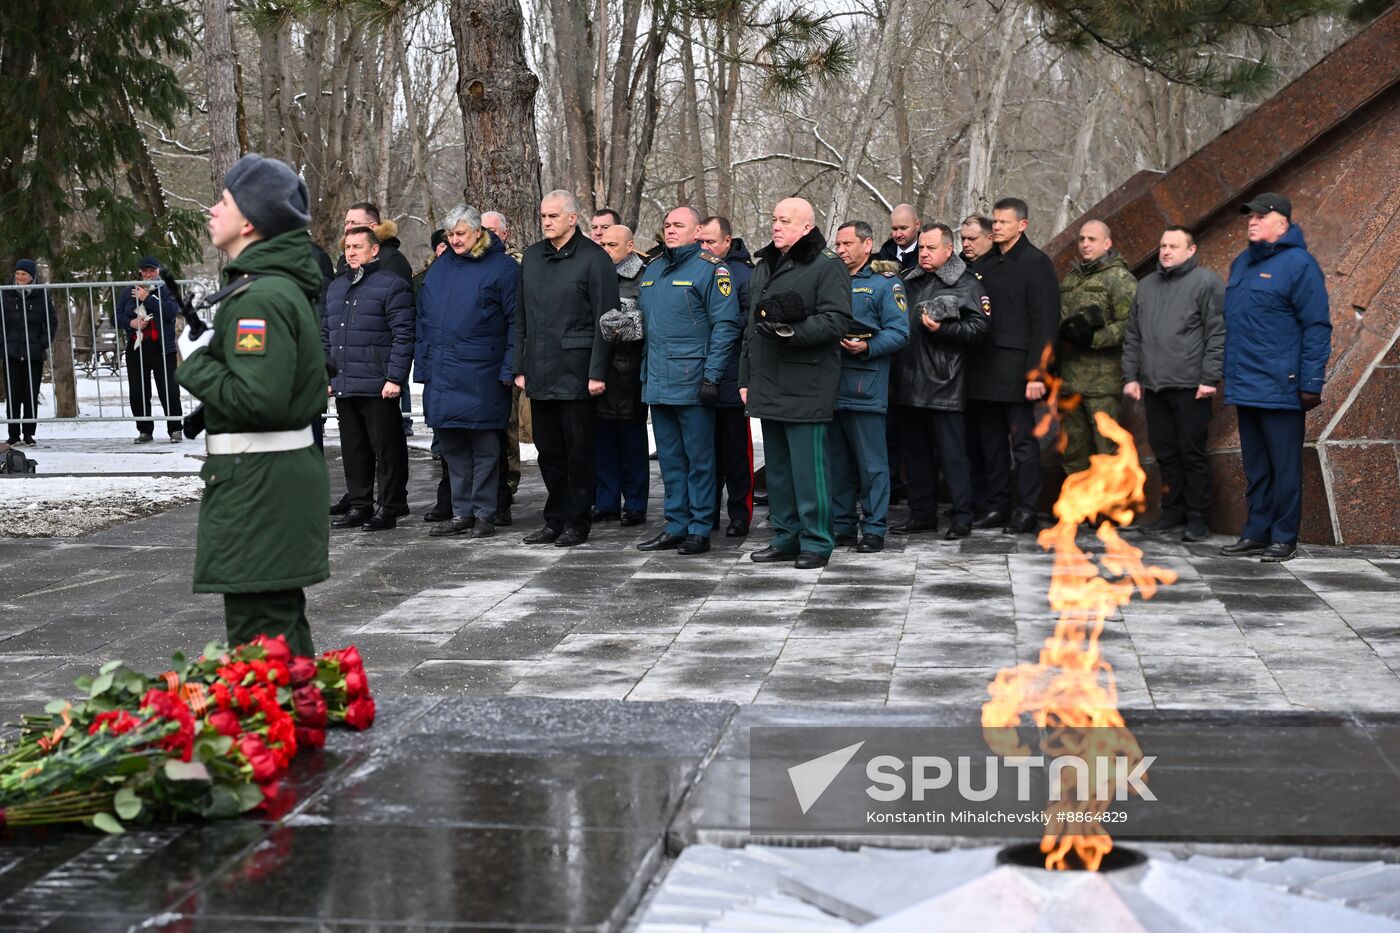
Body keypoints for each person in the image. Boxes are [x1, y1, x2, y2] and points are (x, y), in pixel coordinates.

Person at [176, 152, 329, 657]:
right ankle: (297, 722)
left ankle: (278, 731)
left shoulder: (260, 298)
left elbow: (257, 399)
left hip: (260, 479)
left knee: (260, 629)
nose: (212, 212)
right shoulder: (268, 287)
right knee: (276, 621)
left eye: (222, 201)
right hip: (266, 475)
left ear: (250, 220)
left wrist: (195, 360)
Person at [739, 197, 852, 570]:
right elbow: (750, 328)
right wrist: (745, 377)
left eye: (785, 220)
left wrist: (790, 330)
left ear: (806, 227)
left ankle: (817, 541)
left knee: (809, 470)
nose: (776, 226)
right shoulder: (764, 265)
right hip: (768, 381)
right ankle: (785, 537)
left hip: (807, 381)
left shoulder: (826, 266)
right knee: (780, 470)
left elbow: (837, 321)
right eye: (774, 219)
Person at [1219, 193, 1332, 563]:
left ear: (1282, 222)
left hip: (1281, 384)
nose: (1251, 222)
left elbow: (1316, 326)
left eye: (1259, 216)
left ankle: (1285, 537)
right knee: (1256, 468)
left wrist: (1310, 383)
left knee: (1285, 468)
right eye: (1248, 217)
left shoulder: (1299, 264)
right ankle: (1256, 532)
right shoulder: (1241, 264)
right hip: (1246, 384)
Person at [635, 207, 743, 556]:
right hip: (658, 381)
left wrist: (712, 376)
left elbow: (726, 325)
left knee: (699, 460)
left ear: (697, 231)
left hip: (694, 381)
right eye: (666, 225)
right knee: (670, 460)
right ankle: (675, 524)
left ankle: (699, 527)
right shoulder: (652, 270)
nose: (670, 230)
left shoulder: (712, 269)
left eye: (678, 225)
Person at [514, 190, 619, 547]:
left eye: (553, 216)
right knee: (549, 451)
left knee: (578, 452)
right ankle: (554, 518)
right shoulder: (531, 257)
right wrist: (520, 364)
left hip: (577, 371)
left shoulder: (594, 259)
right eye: (543, 216)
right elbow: (521, 317)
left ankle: (578, 520)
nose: (546, 222)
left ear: (572, 219)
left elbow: (608, 320)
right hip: (540, 371)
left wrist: (597, 372)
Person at [416, 205, 518, 539]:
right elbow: (425, 320)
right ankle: (461, 512)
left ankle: (485, 513)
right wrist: (425, 364)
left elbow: (517, 322)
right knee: (454, 448)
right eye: (451, 234)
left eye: (461, 233)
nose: (455, 240)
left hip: (483, 372)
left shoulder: (502, 268)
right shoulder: (441, 268)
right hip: (444, 372)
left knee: (486, 448)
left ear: (478, 232)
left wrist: (511, 366)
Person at [1122, 226, 1225, 542]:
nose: (1166, 251)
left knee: (1191, 452)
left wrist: (1210, 377)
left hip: (1190, 385)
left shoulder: (1206, 282)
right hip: (1154, 385)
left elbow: (1217, 332)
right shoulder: (1147, 285)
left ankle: (1198, 517)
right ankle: (1172, 512)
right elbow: (1133, 335)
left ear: (1191, 250)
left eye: (1174, 246)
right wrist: (1131, 376)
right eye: (1163, 245)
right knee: (1165, 452)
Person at [965, 197, 1059, 534]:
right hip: (985, 370)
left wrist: (1037, 374)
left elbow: (1046, 323)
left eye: (1003, 222)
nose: (997, 227)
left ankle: (1028, 510)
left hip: (1019, 372)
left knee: (1023, 445)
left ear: (1022, 225)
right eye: (995, 221)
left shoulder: (1037, 264)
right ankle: (997, 506)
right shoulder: (986, 266)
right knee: (991, 445)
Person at [892, 223, 990, 539]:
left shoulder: (966, 284)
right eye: (921, 247)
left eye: (931, 248)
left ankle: (962, 517)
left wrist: (943, 330)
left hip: (944, 385)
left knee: (953, 456)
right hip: (908, 382)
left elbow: (980, 329)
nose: (924, 253)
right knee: (915, 455)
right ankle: (921, 514)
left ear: (948, 249)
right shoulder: (908, 281)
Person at [322, 225, 415, 531]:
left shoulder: (392, 285)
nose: (351, 252)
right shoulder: (336, 287)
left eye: (357, 247)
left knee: (385, 449)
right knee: (354, 449)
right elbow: (326, 335)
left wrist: (394, 378)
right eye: (347, 247)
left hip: (378, 384)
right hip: (345, 382)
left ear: (374, 250)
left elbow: (403, 335)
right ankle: (360, 505)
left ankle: (389, 507)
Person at [828, 221, 910, 553]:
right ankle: (842, 525)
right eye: (838, 244)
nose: (841, 249)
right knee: (837, 464)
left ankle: (874, 528)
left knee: (872, 466)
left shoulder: (884, 284)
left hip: (865, 385)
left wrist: (869, 346)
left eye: (848, 243)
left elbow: (900, 331)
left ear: (867, 245)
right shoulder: (831, 281)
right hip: (831, 387)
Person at [1057, 220, 1137, 475]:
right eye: (1081, 239)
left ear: (1107, 243)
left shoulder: (1119, 278)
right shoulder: (1071, 278)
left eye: (1092, 239)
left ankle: (1109, 513)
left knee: (1107, 451)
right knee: (1073, 451)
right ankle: (1079, 510)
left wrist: (1094, 338)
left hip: (1102, 384)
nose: (1085, 244)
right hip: (1069, 380)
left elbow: (1131, 325)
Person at [697, 215, 756, 535]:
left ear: (727, 242)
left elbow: (747, 324)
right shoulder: (696, 269)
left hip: (732, 377)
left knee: (735, 455)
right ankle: (708, 513)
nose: (705, 247)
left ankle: (739, 514)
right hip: (700, 376)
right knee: (707, 456)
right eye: (701, 241)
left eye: (711, 242)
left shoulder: (744, 274)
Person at [595, 224, 650, 527]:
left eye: (612, 245)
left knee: (632, 442)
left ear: (630, 247)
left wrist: (617, 324)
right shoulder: (595, 273)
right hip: (597, 368)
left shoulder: (643, 277)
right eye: (602, 244)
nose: (606, 250)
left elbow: (642, 323)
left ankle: (636, 503)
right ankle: (606, 502)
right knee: (602, 441)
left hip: (628, 371)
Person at [114, 256, 183, 444]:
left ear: (159, 271)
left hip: (162, 348)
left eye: (152, 270)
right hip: (137, 348)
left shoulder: (168, 289)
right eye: (145, 271)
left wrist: (148, 298)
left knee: (168, 390)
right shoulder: (129, 291)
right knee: (138, 392)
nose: (148, 274)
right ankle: (145, 430)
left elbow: (171, 311)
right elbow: (116, 316)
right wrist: (131, 323)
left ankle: (175, 428)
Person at [3, 259, 57, 446]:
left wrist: (42, 343)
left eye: (24, 274)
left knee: (30, 393)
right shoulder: (5, 293)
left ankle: (28, 433)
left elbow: (51, 322)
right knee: (13, 394)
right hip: (10, 351)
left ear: (31, 276)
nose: (20, 277)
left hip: (33, 352)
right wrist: (3, 343)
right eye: (18, 274)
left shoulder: (41, 294)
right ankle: (13, 433)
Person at [875, 203, 921, 272]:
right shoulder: (881, 258)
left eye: (903, 228)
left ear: (917, 225)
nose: (898, 234)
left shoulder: (928, 258)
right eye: (894, 229)